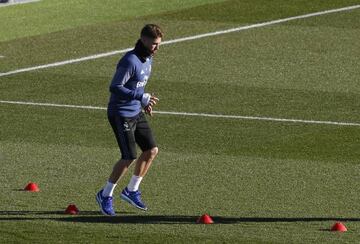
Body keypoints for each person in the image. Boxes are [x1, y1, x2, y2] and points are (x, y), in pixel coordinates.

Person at [96, 24, 163, 216]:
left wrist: (143, 103)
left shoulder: (148, 59)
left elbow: (138, 87)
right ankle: (105, 195)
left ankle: (131, 190)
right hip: (120, 113)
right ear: (143, 40)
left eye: (159, 44)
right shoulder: (130, 60)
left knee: (151, 150)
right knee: (129, 156)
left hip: (135, 111)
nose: (157, 48)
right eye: (154, 44)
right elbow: (115, 87)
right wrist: (140, 97)